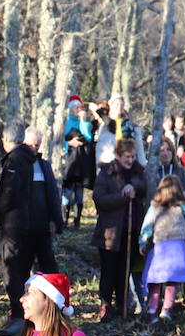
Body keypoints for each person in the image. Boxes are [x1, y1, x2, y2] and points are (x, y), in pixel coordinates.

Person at [0, 124, 64, 333]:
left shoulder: (41, 164)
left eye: (38, 144)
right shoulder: (16, 160)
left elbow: (51, 193)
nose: (35, 148)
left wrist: (55, 220)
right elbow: (7, 195)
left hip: (39, 227)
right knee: (17, 269)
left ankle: (54, 310)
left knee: (45, 268)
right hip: (17, 227)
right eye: (32, 144)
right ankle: (20, 313)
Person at [92, 138, 149, 320]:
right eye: (126, 157)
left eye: (132, 156)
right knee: (109, 271)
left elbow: (144, 187)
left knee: (124, 271)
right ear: (117, 155)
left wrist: (134, 186)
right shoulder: (106, 172)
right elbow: (100, 199)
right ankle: (106, 307)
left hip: (131, 230)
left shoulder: (137, 171)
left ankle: (122, 306)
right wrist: (123, 197)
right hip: (109, 232)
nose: (130, 160)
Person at [139, 174, 185, 321]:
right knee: (172, 282)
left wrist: (143, 241)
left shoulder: (155, 207)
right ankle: (166, 309)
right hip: (178, 250)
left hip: (160, 249)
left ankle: (153, 309)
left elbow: (147, 226)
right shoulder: (180, 206)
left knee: (156, 282)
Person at [61, 98, 97, 228]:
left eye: (80, 107)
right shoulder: (65, 122)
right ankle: (64, 220)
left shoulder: (84, 122)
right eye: (76, 108)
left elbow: (88, 137)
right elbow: (60, 140)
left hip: (81, 161)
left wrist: (83, 120)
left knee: (79, 191)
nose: (79, 110)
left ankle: (77, 221)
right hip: (69, 161)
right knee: (67, 190)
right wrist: (69, 143)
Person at [93, 94, 147, 166]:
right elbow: (101, 144)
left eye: (121, 104)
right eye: (117, 104)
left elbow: (136, 144)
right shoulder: (105, 124)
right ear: (111, 106)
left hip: (126, 160)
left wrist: (142, 162)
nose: (119, 106)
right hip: (108, 161)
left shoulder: (128, 124)